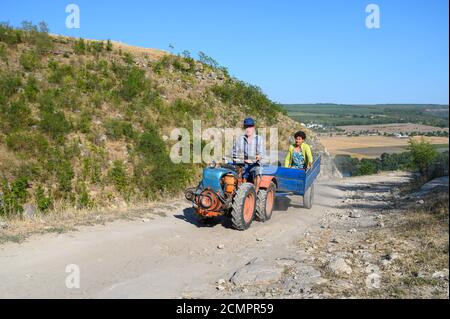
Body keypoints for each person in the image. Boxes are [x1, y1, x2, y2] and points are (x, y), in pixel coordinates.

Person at [232, 117, 265, 181]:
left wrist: (257, 157)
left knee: (258, 172)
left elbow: (261, 153)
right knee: (237, 171)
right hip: (243, 163)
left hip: (255, 164)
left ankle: (255, 190)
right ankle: (241, 187)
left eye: (250, 127)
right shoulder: (239, 139)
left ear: (254, 127)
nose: (248, 129)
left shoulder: (259, 139)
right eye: (246, 127)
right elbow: (234, 152)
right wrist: (241, 158)